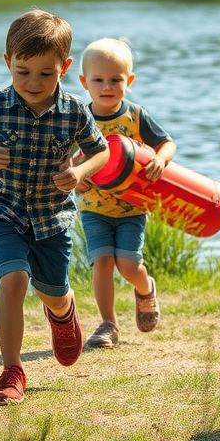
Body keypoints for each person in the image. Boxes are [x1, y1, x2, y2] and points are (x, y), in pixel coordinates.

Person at [0, 9, 110, 405]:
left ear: (64, 67)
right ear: (8, 62)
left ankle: (62, 313)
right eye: (22, 71)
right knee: (14, 278)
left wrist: (79, 172)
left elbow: (102, 151)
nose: (32, 82)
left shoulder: (75, 111)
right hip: (3, 207)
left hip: (52, 215)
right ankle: (12, 369)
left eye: (45, 73)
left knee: (54, 291)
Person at [74, 38, 175, 349]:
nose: (107, 87)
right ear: (84, 82)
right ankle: (108, 324)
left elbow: (167, 143)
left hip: (132, 206)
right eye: (99, 80)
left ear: (129, 81)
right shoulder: (79, 117)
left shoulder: (134, 115)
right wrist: (75, 177)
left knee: (128, 265)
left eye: (116, 80)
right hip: (94, 208)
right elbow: (65, 159)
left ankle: (145, 288)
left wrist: (160, 158)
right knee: (102, 262)